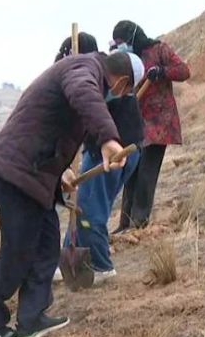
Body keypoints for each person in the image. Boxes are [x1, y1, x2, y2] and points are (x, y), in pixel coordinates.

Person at [0, 52, 129, 337]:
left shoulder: (83, 70)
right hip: (16, 174)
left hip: (34, 174)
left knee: (45, 244)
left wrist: (62, 170)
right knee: (18, 248)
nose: (117, 97)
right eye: (125, 90)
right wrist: (108, 137)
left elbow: (51, 127)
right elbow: (82, 93)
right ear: (122, 81)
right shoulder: (85, 69)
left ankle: (31, 319)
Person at [61, 42, 145, 283]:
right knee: (82, 208)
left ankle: (101, 265)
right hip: (106, 152)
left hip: (114, 156)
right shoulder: (99, 82)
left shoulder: (116, 95)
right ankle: (68, 260)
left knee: (90, 210)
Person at [110, 20, 190, 234]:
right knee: (131, 172)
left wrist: (162, 72)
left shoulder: (159, 50)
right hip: (137, 123)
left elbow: (183, 71)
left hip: (160, 123)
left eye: (122, 42)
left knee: (146, 172)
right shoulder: (129, 59)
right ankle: (124, 223)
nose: (121, 46)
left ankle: (139, 221)